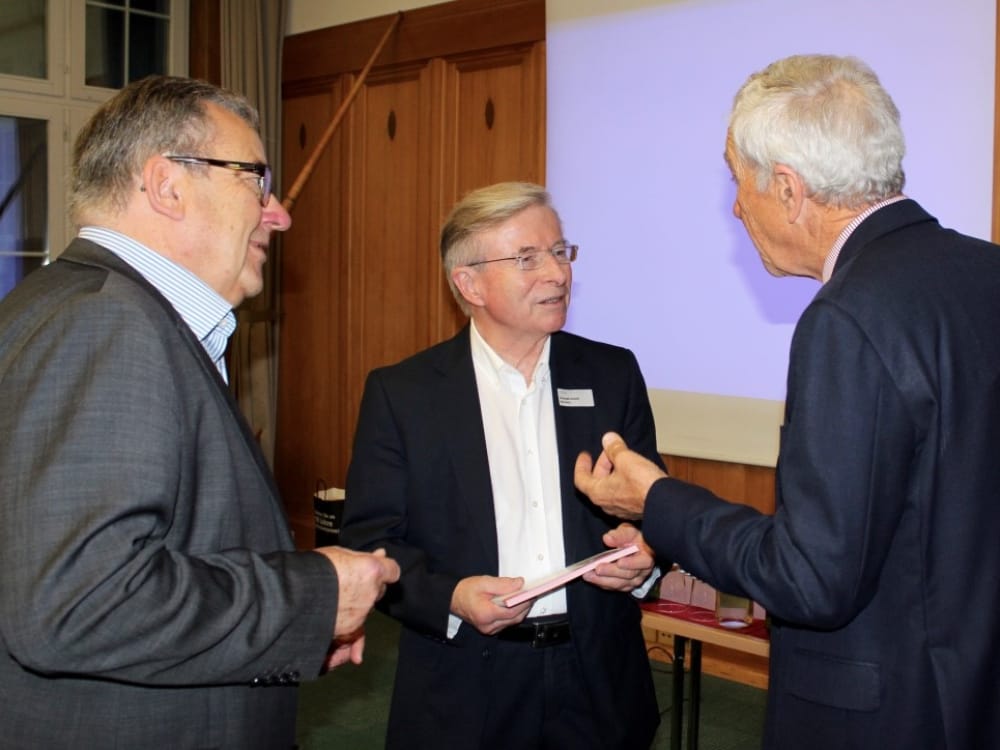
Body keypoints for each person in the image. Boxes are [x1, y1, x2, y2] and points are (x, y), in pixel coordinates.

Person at [574, 54, 1000, 749]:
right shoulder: (988, 272)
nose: (736, 205)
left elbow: (810, 580)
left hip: (888, 715)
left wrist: (658, 500)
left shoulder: (848, 316)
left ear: (789, 189)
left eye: (738, 183)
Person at [0, 75, 399, 749]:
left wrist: (283, 635)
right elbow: (79, 603)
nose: (279, 214)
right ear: (168, 186)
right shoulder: (110, 326)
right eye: (255, 179)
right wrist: (315, 595)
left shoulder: (60, 304)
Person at [340, 181, 662, 749]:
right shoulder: (405, 394)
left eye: (561, 252)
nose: (557, 274)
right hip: (464, 681)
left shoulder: (613, 376)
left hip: (599, 678)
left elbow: (652, 507)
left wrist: (645, 552)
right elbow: (373, 543)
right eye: (527, 259)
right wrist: (452, 597)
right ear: (469, 283)